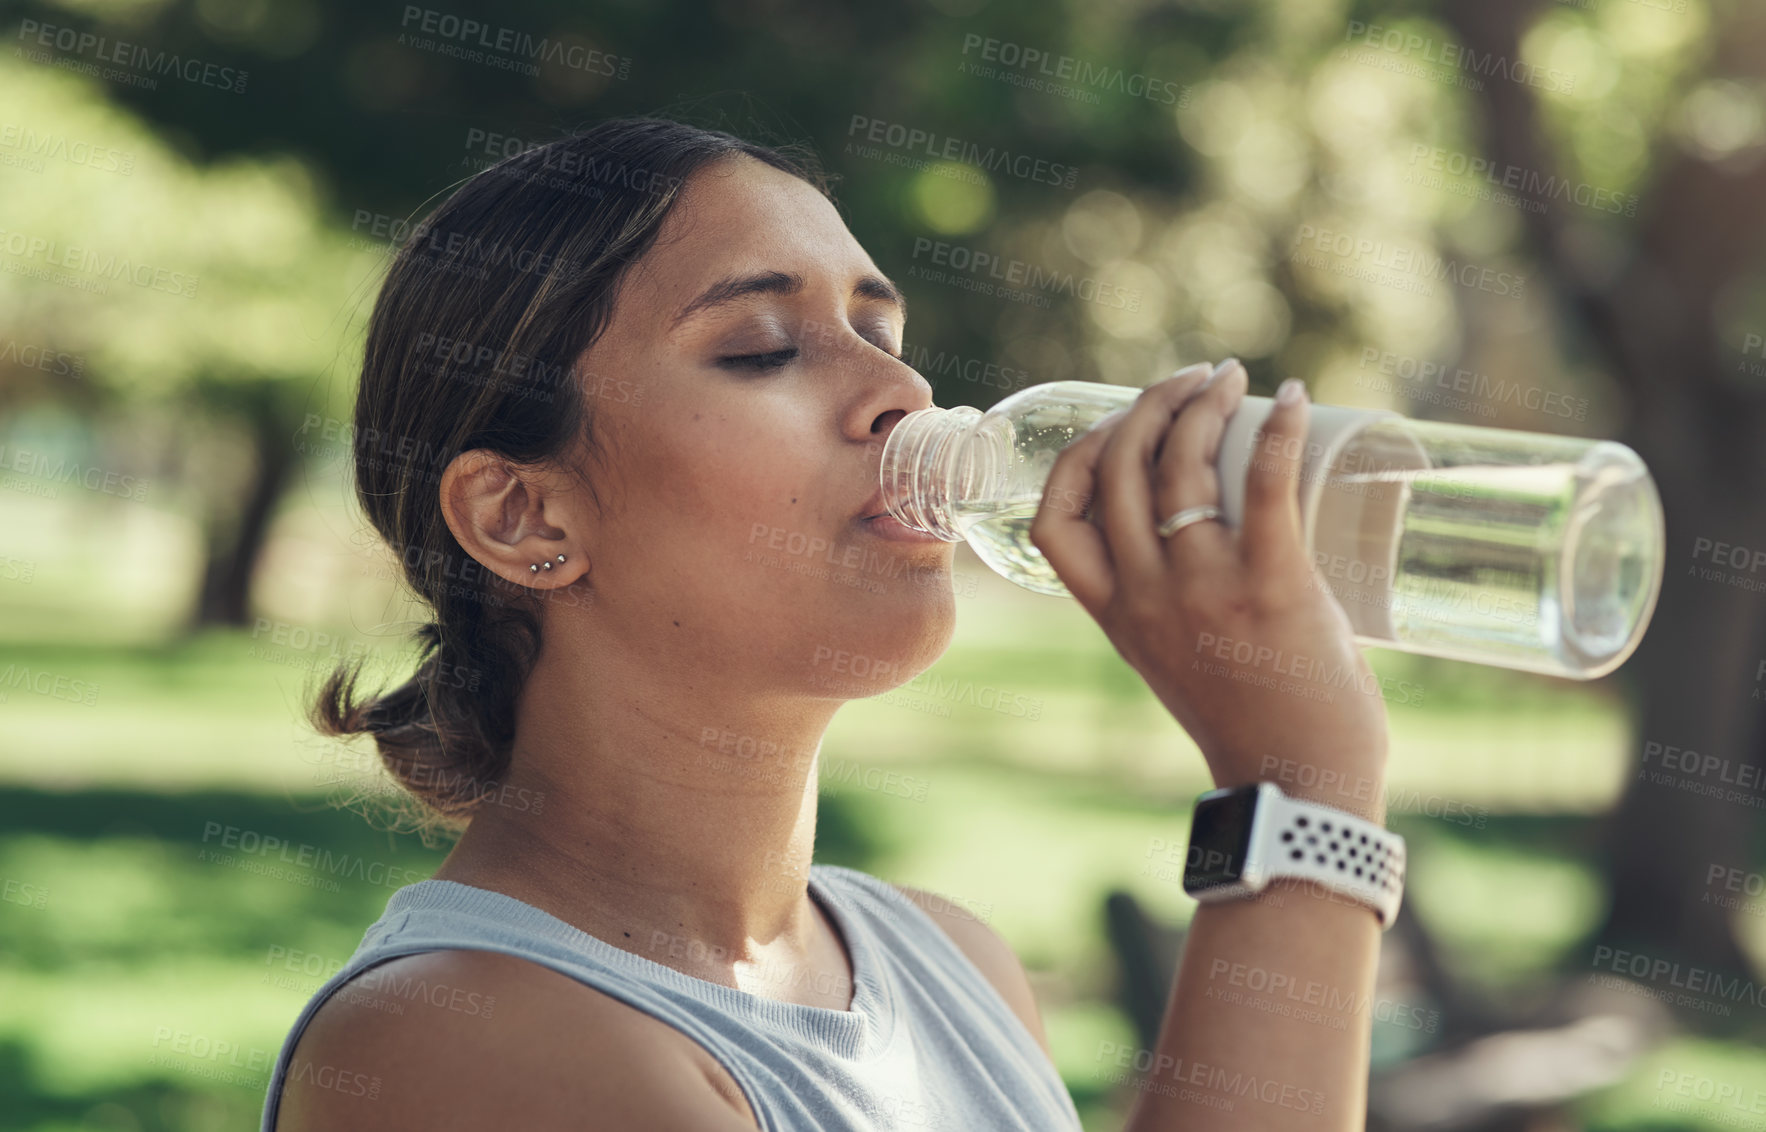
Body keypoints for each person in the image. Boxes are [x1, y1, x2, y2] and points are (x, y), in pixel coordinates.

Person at [261, 116, 1392, 1131]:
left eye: (880, 330)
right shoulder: (462, 1045)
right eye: (761, 347)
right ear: (521, 514)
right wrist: (1302, 795)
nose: (901, 395)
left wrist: (1298, 786)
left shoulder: (949, 961)